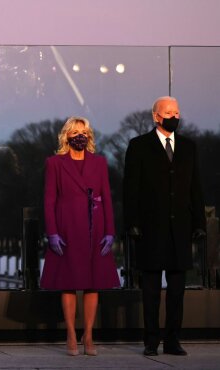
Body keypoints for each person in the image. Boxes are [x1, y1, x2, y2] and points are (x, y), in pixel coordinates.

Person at [124, 96, 206, 357]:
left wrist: (199, 223)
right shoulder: (138, 146)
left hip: (180, 230)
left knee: (177, 291)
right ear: (156, 116)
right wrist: (132, 223)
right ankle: (151, 340)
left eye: (177, 111)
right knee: (150, 290)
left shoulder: (189, 147)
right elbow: (130, 190)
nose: (174, 116)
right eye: (169, 112)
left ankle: (173, 340)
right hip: (150, 229)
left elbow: (196, 189)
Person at [40, 116, 120, 356]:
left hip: (95, 228)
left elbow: (106, 197)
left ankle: (89, 335)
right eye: (75, 131)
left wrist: (110, 232)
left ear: (89, 135)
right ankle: (71, 334)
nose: (80, 136)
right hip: (67, 228)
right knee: (69, 282)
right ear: (67, 135)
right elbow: (49, 200)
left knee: (93, 283)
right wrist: (52, 233)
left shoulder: (100, 163)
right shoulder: (54, 163)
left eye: (84, 131)